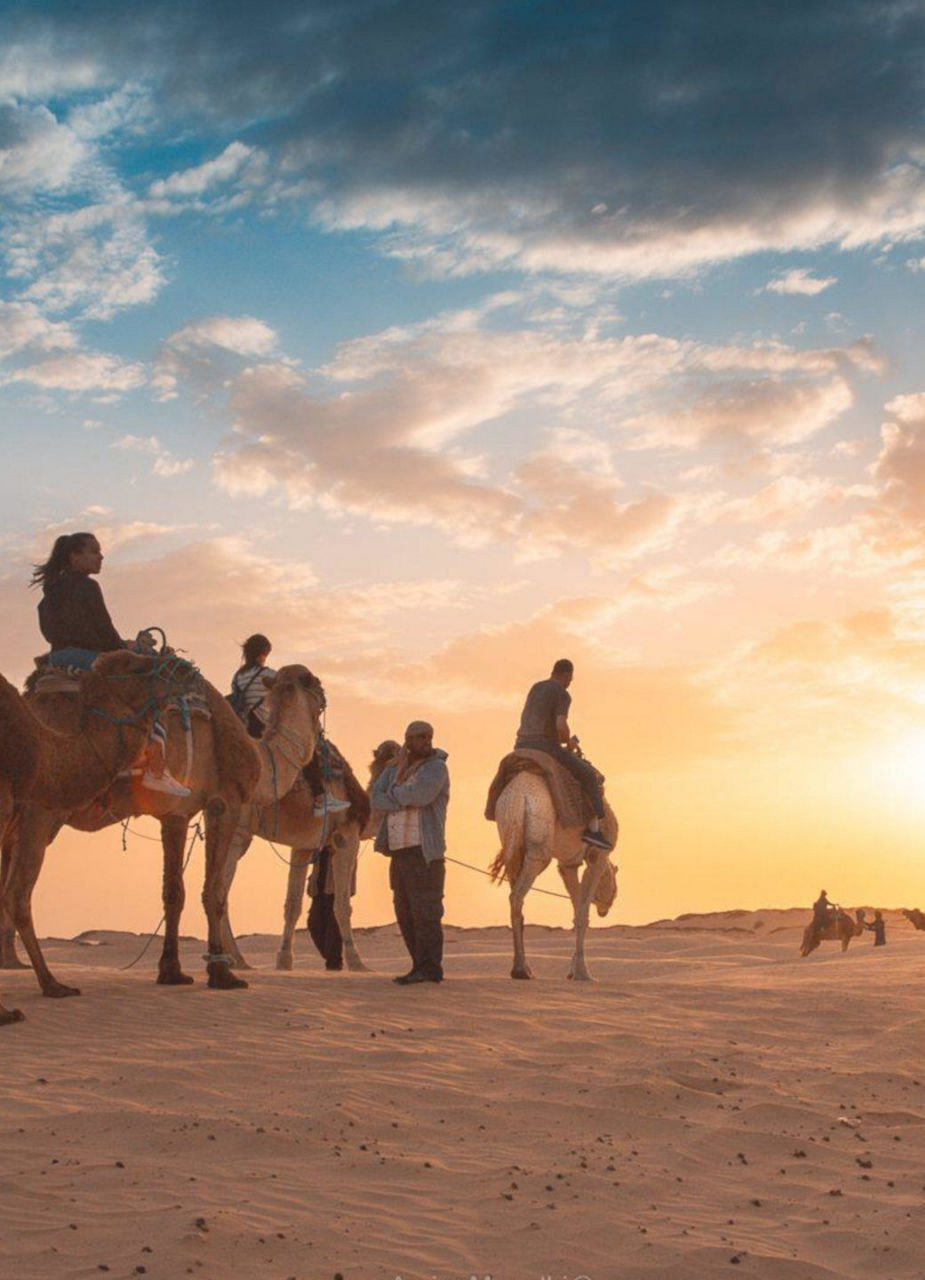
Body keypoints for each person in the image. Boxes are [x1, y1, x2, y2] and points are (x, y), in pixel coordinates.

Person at [31, 531, 189, 797]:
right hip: (86, 658)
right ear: (74, 556)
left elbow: (57, 632)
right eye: (93, 551)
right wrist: (128, 650)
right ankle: (155, 768)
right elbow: (105, 632)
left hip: (57, 659)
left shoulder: (51, 592)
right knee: (153, 689)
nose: (100, 556)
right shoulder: (87, 586)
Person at [372, 720, 449, 985]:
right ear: (407, 739)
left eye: (429, 736)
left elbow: (422, 795)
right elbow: (375, 798)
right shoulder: (394, 769)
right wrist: (401, 795)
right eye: (419, 736)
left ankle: (430, 968)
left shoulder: (436, 768)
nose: (425, 741)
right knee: (404, 911)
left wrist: (394, 794)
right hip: (399, 851)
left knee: (426, 912)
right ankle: (418, 966)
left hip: (424, 853)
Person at [514, 658, 611, 851]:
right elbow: (560, 726)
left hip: (521, 745)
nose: (569, 683)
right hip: (545, 746)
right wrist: (569, 741)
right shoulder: (562, 694)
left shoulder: (536, 687)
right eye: (570, 680)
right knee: (591, 776)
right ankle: (593, 830)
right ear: (567, 675)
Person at [229, 634, 277, 738]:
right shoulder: (269, 674)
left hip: (242, 724)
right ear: (261, 653)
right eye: (265, 654)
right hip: (263, 725)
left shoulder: (237, 677)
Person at [306, 846, 345, 970]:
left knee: (333, 925)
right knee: (314, 923)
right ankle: (331, 958)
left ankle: (334, 961)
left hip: (335, 887)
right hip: (318, 888)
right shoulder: (319, 841)